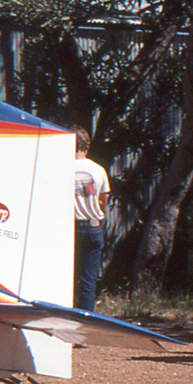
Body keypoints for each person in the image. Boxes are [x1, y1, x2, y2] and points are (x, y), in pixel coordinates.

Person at [73, 128, 110, 312]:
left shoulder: (61, 168)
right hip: (93, 226)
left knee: (68, 279)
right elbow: (104, 202)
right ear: (86, 146)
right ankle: (82, 332)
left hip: (71, 228)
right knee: (87, 282)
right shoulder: (98, 170)